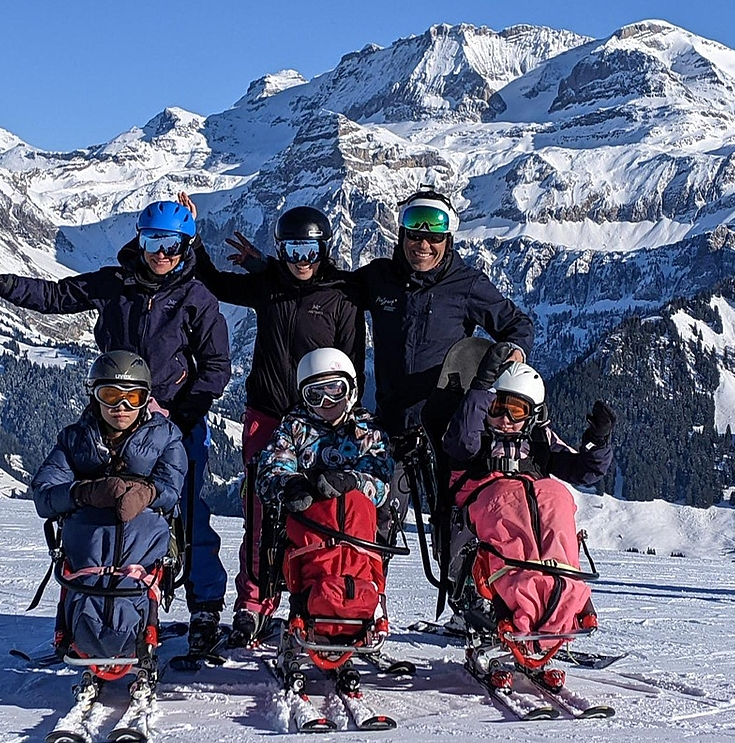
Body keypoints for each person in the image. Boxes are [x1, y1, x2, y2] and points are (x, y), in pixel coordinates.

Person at [0, 200, 232, 655]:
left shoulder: (196, 298)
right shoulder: (114, 284)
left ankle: (204, 609)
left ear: (186, 245)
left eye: (171, 243)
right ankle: (95, 600)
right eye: (152, 241)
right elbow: (54, 297)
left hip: (173, 421)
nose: (161, 253)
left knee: (187, 512)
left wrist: (177, 417)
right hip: (112, 410)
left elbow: (216, 367)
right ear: (139, 239)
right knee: (96, 507)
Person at [193, 205, 366, 647]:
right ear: (280, 249)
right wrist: (193, 239)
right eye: (291, 248)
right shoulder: (269, 285)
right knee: (260, 508)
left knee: (321, 508)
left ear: (324, 248)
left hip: (321, 418)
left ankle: (317, 596)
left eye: (310, 249)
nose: (301, 259)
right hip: (267, 413)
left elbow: (353, 367)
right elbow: (215, 283)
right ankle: (254, 602)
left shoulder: (342, 297)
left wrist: (347, 421)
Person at [346, 189, 536, 542]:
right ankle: (369, 597)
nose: (423, 244)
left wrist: (512, 356)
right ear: (402, 234)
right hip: (391, 428)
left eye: (434, 236)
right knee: (373, 534)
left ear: (448, 239)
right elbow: (329, 290)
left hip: (446, 433)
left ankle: (470, 596)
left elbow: (518, 325)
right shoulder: (379, 277)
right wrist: (269, 270)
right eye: (415, 234)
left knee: (456, 537)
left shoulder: (466, 285)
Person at [30, 350, 188, 671]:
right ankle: (87, 631)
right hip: (88, 547)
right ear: (95, 395)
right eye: (111, 396)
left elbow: (171, 489)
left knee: (132, 581)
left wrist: (147, 493)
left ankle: (129, 629)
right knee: (89, 585)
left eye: (133, 397)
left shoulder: (166, 438)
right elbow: (44, 495)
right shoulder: (75, 440)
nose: (121, 407)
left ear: (146, 399)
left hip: (139, 546)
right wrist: (84, 492)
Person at [441, 360, 615, 641]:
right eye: (498, 406)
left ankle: (562, 596)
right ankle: (515, 604)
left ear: (532, 414)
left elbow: (583, 471)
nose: (505, 418)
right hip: (486, 504)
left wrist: (598, 441)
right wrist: (481, 390)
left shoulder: (539, 439)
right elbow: (460, 444)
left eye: (516, 410)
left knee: (557, 496)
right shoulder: (475, 434)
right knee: (516, 506)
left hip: (531, 502)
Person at [255, 347, 394, 639]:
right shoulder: (294, 428)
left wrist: (354, 482)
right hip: (311, 532)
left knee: (357, 505)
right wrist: (290, 485)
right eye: (314, 395)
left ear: (352, 390)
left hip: (357, 532)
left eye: (334, 389)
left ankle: (361, 598)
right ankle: (313, 596)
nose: (326, 401)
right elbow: (271, 470)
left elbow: (381, 484)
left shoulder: (367, 431)